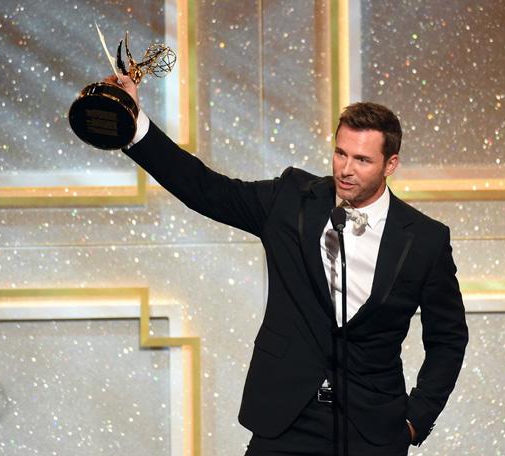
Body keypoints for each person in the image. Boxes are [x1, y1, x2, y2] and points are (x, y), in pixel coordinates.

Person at [106, 74, 468, 456]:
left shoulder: (425, 240)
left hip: (371, 430)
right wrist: (132, 122)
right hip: (285, 420)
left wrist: (416, 420)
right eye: (341, 153)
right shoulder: (292, 200)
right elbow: (205, 189)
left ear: (390, 164)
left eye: (362, 159)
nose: (345, 169)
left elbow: (448, 339)